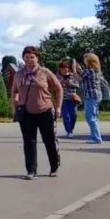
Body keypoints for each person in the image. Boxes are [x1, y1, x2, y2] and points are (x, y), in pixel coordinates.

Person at [10, 45, 63, 174]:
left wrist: (58, 107)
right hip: (26, 112)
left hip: (44, 110)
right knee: (29, 142)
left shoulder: (45, 72)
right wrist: (14, 108)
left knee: (49, 140)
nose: (29, 60)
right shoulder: (18, 74)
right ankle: (31, 170)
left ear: (37, 58)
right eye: (26, 57)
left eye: (32, 57)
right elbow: (14, 92)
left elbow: (58, 89)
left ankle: (54, 166)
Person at [80, 52, 106, 144]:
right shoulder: (97, 71)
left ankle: (96, 138)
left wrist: (75, 69)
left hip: (90, 96)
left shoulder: (88, 71)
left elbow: (78, 78)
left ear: (89, 61)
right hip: (97, 95)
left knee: (90, 117)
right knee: (94, 117)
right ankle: (95, 136)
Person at [57, 59, 81, 139]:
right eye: (62, 68)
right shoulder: (57, 76)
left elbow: (77, 85)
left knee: (73, 115)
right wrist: (61, 83)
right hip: (63, 99)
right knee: (66, 116)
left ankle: (71, 129)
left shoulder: (73, 75)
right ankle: (69, 131)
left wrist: (69, 83)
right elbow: (54, 86)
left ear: (68, 68)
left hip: (72, 98)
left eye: (66, 68)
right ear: (60, 69)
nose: (64, 70)